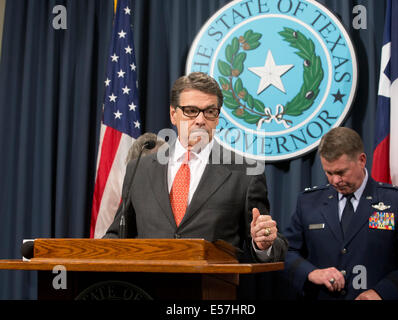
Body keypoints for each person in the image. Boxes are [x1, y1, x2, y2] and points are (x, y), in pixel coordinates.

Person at [105, 72, 288, 262]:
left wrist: (263, 243)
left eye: (210, 111)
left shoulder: (245, 173)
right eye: (191, 111)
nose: (201, 120)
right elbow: (118, 235)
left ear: (217, 118)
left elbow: (271, 244)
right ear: (173, 115)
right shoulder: (140, 170)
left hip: (213, 288)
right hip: (147, 289)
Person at [283, 127, 398, 300]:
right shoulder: (308, 202)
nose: (335, 180)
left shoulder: (397, 202)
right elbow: (288, 253)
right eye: (329, 173)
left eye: (341, 172)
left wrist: (382, 293)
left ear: (362, 160)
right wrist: (312, 273)